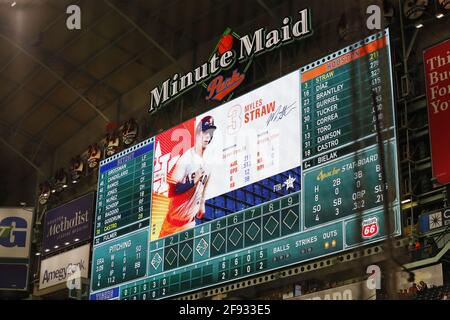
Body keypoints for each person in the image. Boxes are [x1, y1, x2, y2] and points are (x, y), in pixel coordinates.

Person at [159, 116, 217, 237]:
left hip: (189, 224)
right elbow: (171, 190)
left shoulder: (210, 160)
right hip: (171, 225)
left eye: (210, 133)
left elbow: (205, 184)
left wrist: (202, 204)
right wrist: (192, 181)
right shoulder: (186, 158)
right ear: (197, 134)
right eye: (205, 132)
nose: (208, 136)